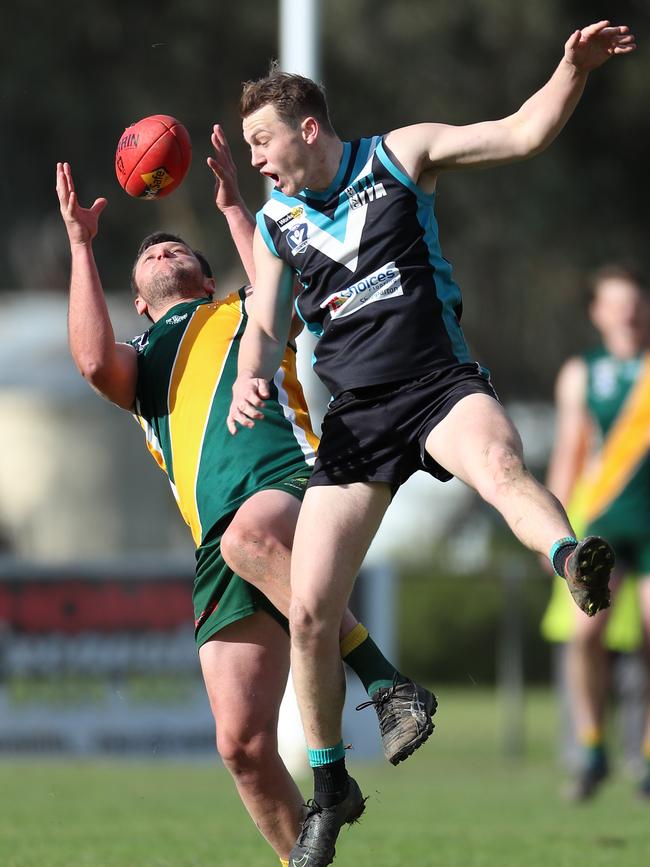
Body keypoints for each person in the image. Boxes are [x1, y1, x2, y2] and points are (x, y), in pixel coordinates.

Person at [226, 20, 635, 866]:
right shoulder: (276, 224)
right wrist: (246, 375)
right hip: (358, 419)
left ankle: (569, 558)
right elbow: (260, 326)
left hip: (439, 385)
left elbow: (523, 133)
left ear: (309, 127)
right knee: (307, 610)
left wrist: (571, 69)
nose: (257, 159)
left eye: (262, 141)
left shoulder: (398, 155)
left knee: (499, 464)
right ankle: (332, 782)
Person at [55, 126, 435, 867]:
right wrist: (78, 243)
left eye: (178, 251)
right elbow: (93, 360)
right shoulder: (143, 363)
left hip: (291, 490)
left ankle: (389, 685)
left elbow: (277, 272)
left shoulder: (244, 317)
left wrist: (236, 208)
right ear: (137, 299)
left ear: (206, 278)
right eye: (149, 255)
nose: (163, 252)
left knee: (247, 535)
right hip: (220, 545)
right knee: (241, 745)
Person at [546, 264, 650, 801]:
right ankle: (591, 748)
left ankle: (648, 758)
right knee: (586, 635)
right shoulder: (582, 372)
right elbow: (569, 453)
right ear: (598, 313)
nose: (628, 312)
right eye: (616, 303)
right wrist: (552, 534)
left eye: (635, 301)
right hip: (604, 524)